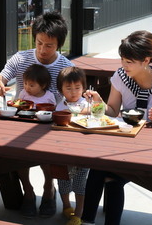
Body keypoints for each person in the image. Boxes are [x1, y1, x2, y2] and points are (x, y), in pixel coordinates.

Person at [81, 30, 152, 225]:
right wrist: (99, 102)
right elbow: (112, 111)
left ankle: (87, 221)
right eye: (122, 60)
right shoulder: (120, 77)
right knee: (98, 166)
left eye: (129, 62)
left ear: (146, 60)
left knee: (110, 176)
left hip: (150, 149)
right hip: (124, 142)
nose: (123, 66)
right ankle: (87, 221)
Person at [0, 11, 74, 218]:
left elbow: (73, 98)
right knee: (18, 155)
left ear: (59, 45)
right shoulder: (20, 58)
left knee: (46, 155)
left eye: (49, 45)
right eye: (39, 43)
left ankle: (48, 188)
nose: (43, 50)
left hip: (51, 124)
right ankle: (28, 191)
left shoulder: (66, 67)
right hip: (21, 119)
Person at [55, 66, 89, 225]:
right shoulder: (60, 105)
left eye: (77, 88)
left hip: (82, 153)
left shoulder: (86, 105)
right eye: (68, 88)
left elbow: (96, 116)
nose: (73, 92)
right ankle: (66, 206)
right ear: (61, 89)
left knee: (80, 185)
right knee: (63, 181)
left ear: (83, 88)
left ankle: (79, 213)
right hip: (62, 152)